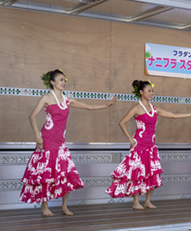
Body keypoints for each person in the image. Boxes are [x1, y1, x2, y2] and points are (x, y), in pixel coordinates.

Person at [19, 69, 117, 216]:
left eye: (65, 80)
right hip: (46, 140)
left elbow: (88, 107)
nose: (64, 82)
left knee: (66, 172)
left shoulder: (67, 100)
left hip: (60, 142)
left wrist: (106, 105)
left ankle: (64, 206)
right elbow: (32, 116)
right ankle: (44, 206)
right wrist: (37, 136)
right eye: (61, 80)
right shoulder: (46, 98)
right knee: (46, 173)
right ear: (52, 82)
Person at [105, 80, 191, 209]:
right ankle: (136, 202)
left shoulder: (154, 109)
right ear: (141, 92)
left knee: (152, 172)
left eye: (152, 91)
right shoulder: (136, 108)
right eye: (149, 91)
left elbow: (173, 116)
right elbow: (122, 122)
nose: (151, 93)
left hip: (151, 146)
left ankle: (147, 201)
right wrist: (130, 138)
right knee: (138, 173)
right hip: (139, 145)